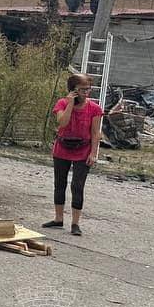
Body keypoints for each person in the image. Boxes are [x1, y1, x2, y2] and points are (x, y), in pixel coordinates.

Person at [42, 73, 104, 236]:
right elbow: (62, 122)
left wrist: (93, 153)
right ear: (73, 90)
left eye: (88, 89)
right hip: (63, 147)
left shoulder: (94, 108)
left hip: (82, 149)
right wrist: (70, 103)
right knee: (59, 183)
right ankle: (58, 218)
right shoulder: (62, 103)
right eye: (82, 90)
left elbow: (96, 132)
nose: (86, 93)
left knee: (77, 185)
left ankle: (75, 223)